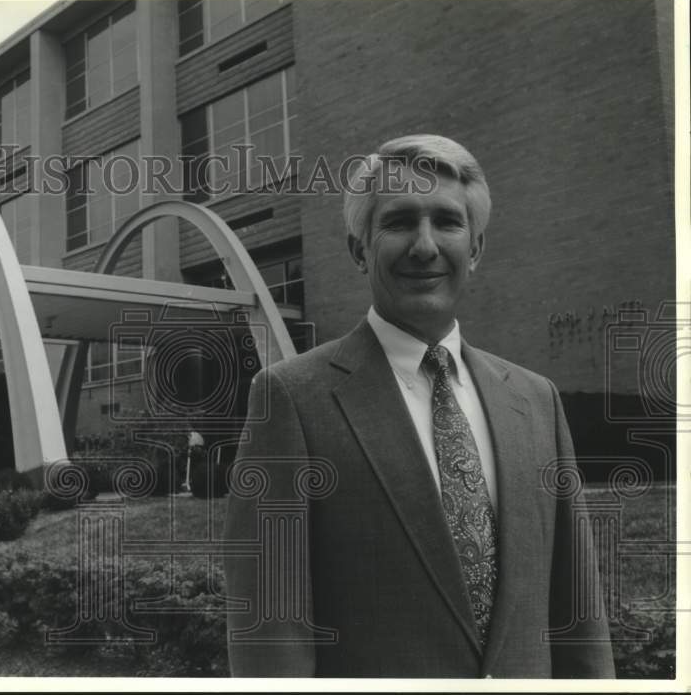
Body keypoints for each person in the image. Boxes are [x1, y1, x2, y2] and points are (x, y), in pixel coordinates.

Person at [223, 134, 615, 678]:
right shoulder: (291, 399)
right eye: (400, 221)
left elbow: (577, 617)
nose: (425, 245)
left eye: (448, 222)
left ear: (475, 248)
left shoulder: (536, 400)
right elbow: (271, 634)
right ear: (359, 249)